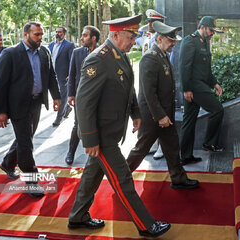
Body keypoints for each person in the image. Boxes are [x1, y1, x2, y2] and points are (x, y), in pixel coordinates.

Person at [67, 15, 171, 238]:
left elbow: (127, 86)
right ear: (115, 35)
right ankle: (146, 225)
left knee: (91, 176)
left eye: (134, 36)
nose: (134, 41)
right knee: (122, 178)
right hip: (101, 135)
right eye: (131, 36)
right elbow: (84, 103)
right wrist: (90, 139)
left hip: (111, 131)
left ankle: (77, 216)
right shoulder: (98, 59)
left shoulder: (119, 55)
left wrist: (135, 112)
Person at [126, 21, 199, 190]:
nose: (174, 43)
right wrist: (160, 116)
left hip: (165, 114)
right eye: (171, 40)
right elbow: (149, 93)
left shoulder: (162, 55)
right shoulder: (150, 58)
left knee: (172, 147)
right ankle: (120, 178)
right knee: (140, 150)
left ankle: (178, 178)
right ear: (160, 39)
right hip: (154, 116)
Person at [0, 22, 61, 198]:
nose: (40, 38)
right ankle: (32, 182)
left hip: (36, 103)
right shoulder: (10, 54)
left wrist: (56, 96)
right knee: (26, 144)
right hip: (17, 106)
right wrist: (0, 111)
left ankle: (8, 163)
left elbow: (51, 75)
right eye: (36, 35)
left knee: (25, 138)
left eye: (41, 34)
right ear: (25, 35)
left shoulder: (44, 51)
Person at [178, 16, 225, 166]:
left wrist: (215, 83)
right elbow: (184, 67)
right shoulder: (190, 41)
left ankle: (186, 156)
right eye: (211, 30)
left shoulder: (205, 43)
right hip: (194, 87)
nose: (213, 33)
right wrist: (186, 89)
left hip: (200, 85)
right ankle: (209, 143)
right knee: (217, 109)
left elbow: (206, 70)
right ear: (203, 27)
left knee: (189, 121)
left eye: (214, 31)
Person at [65, 25, 100, 165]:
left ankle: (96, 157)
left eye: (85, 35)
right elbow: (72, 74)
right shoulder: (77, 52)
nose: (81, 38)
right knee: (78, 125)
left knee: (98, 124)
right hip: (81, 97)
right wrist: (70, 94)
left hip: (99, 97)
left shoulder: (102, 52)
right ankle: (70, 152)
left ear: (93, 38)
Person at [139, 9, 166, 160]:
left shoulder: (163, 38)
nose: (149, 24)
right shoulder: (148, 36)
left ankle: (161, 147)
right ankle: (154, 144)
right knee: (148, 114)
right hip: (146, 79)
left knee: (160, 112)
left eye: (152, 22)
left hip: (159, 80)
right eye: (148, 21)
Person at [48, 26, 75, 127]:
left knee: (63, 96)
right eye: (56, 32)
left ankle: (59, 118)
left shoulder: (69, 45)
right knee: (55, 95)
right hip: (52, 76)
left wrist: (70, 74)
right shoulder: (51, 45)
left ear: (64, 34)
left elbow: (72, 61)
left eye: (60, 32)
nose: (57, 34)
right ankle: (67, 108)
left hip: (64, 75)